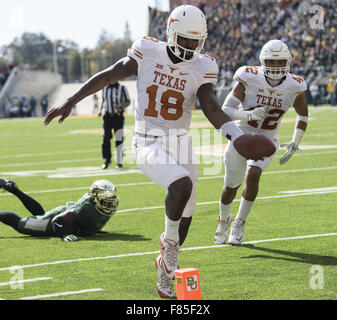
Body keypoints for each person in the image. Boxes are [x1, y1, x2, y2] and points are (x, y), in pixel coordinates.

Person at [44, 5, 267, 299]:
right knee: (181, 185)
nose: (190, 46)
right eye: (185, 38)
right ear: (171, 33)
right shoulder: (147, 50)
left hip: (181, 141)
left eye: (196, 40)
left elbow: (210, 107)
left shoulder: (204, 66)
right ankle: (168, 246)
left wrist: (235, 135)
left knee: (187, 215)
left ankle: (165, 266)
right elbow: (110, 75)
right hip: (147, 140)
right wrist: (72, 100)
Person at [214, 39, 309, 246]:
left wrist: (295, 141)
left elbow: (303, 115)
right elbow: (225, 110)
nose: (276, 66)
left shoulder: (294, 85)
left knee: (254, 173)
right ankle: (224, 219)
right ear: (262, 61)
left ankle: (239, 222)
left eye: (280, 61)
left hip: (269, 138)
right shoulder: (248, 77)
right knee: (231, 186)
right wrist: (247, 116)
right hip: (241, 136)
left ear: (288, 61)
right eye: (271, 61)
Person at [0, 178, 119, 242]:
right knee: (20, 224)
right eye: (105, 195)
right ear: (95, 195)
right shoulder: (87, 208)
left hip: (64, 215)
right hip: (56, 221)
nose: (109, 199)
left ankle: (14, 190)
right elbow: (57, 220)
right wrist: (63, 235)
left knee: (41, 216)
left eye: (110, 195)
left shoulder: (97, 206)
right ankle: (13, 189)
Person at [98, 81, 131, 169]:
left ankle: (119, 162)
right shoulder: (105, 87)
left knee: (119, 138)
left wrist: (120, 107)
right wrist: (100, 110)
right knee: (106, 137)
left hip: (118, 116)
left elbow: (128, 101)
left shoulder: (122, 88)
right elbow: (103, 100)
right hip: (107, 116)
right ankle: (107, 160)